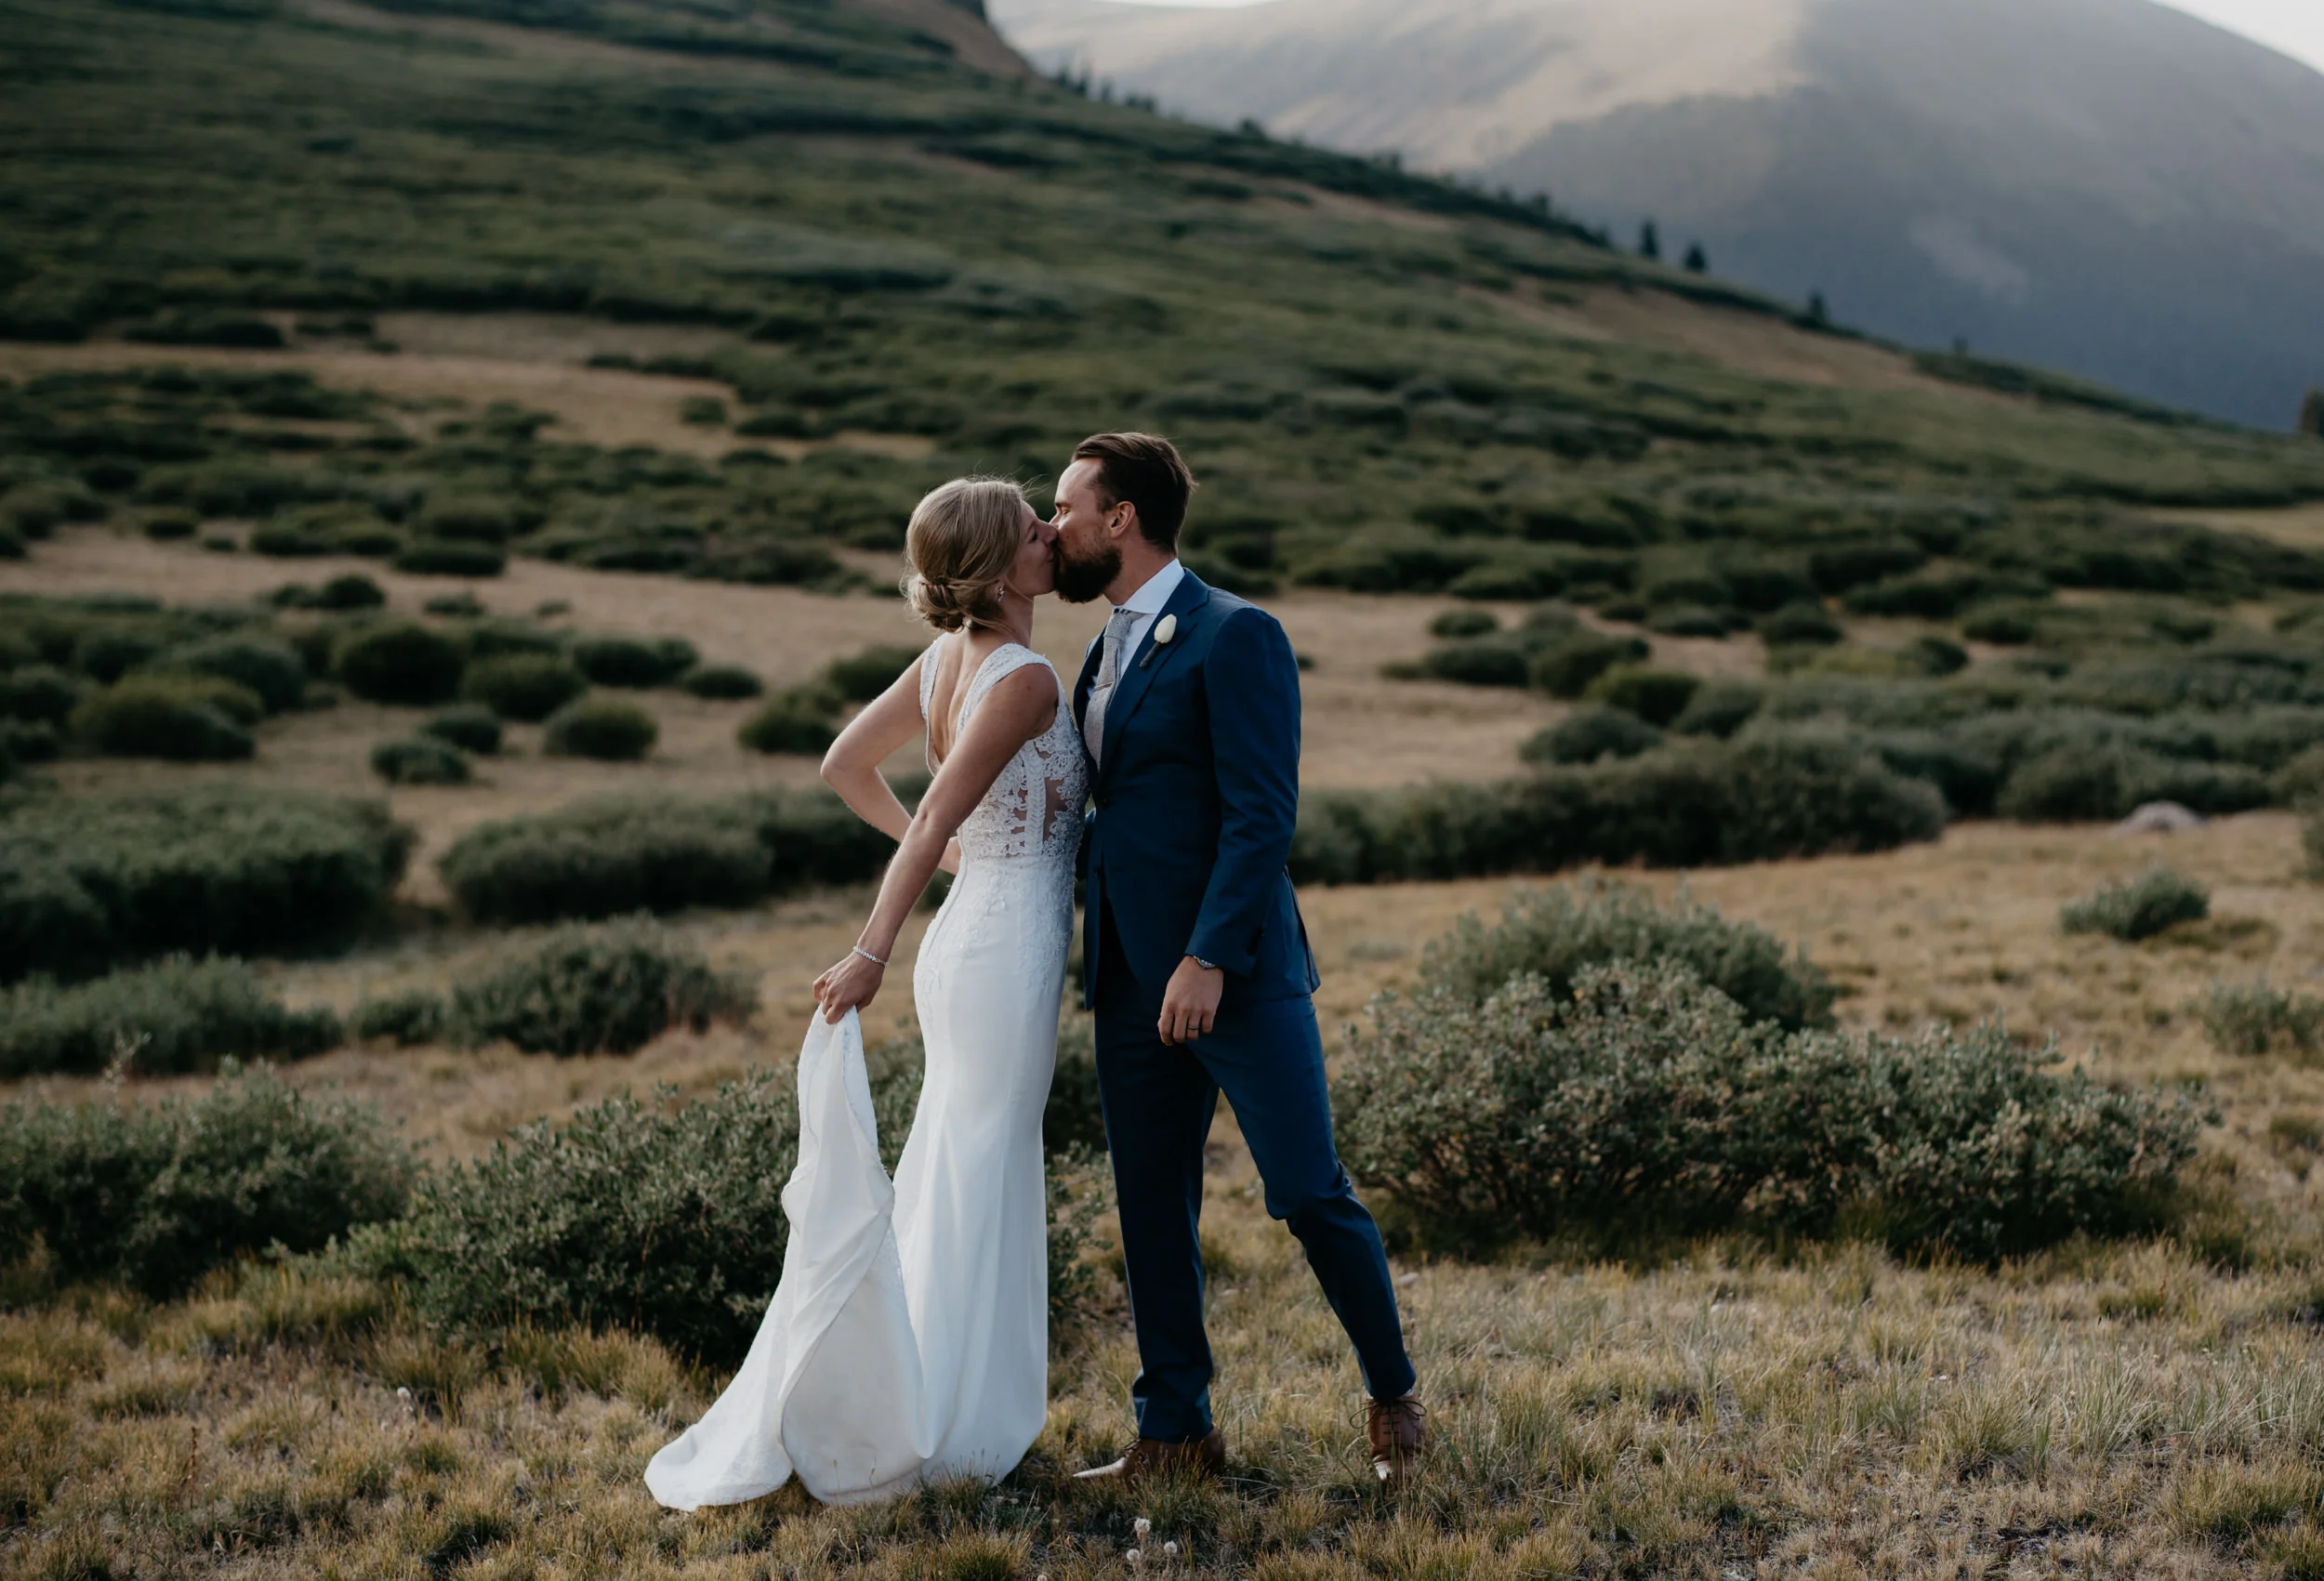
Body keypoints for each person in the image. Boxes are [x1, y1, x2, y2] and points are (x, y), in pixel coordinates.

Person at [643, 476, 1082, 1509]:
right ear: (994, 567)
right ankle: (956, 1420)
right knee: (981, 1166)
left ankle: (915, 1389)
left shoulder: (946, 663)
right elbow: (928, 820)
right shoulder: (1022, 679)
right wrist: (873, 947)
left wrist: (957, 867)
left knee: (955, 1161)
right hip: (999, 949)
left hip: (970, 938)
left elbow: (846, 765)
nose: (1051, 536)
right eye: (1032, 529)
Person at [1051, 432, 1427, 1486]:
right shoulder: (1103, 646)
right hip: (1127, 977)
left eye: (1067, 507)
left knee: (1308, 1192)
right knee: (1150, 1208)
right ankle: (1175, 1432)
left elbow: (1263, 816)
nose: (1054, 526)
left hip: (1239, 974)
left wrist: (1209, 955)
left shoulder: (1235, 634)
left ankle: (1393, 1394)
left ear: (1121, 517)